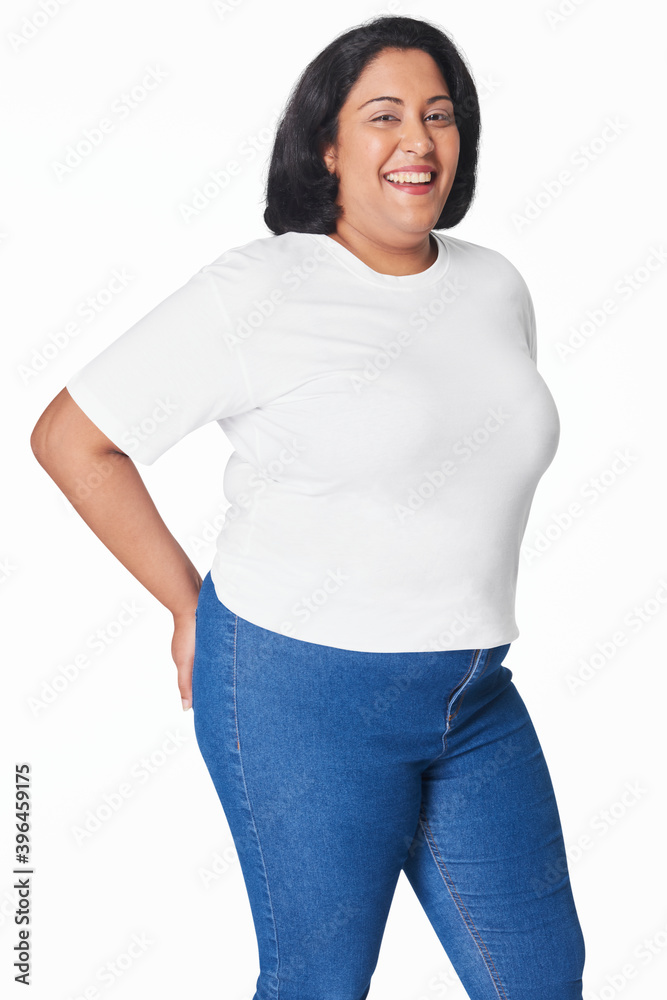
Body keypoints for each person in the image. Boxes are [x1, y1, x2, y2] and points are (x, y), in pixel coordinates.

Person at [30, 14, 586, 1000]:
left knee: (539, 977)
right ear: (328, 145)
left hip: (470, 690)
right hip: (299, 690)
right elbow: (73, 439)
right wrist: (183, 604)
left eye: (439, 115)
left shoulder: (496, 285)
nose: (418, 140)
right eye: (384, 116)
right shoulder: (263, 288)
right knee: (319, 981)